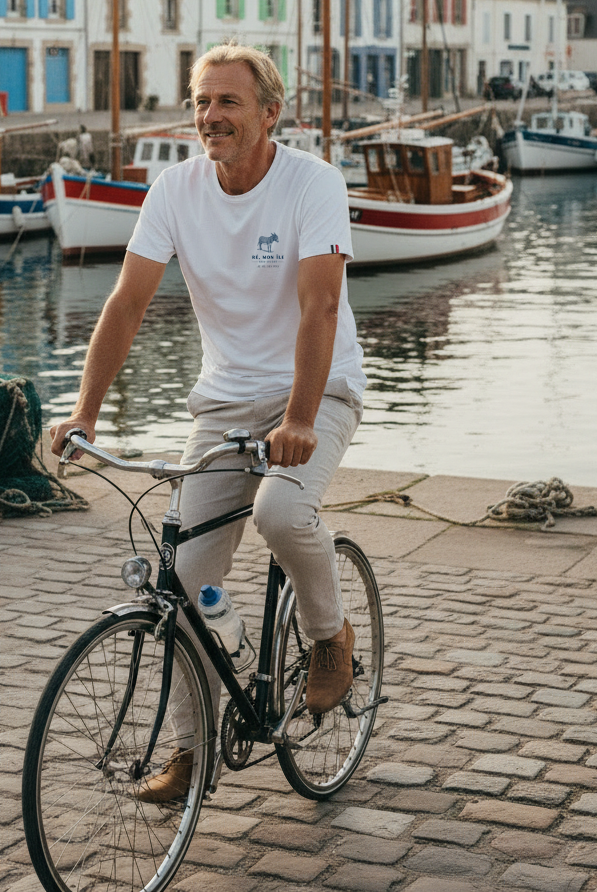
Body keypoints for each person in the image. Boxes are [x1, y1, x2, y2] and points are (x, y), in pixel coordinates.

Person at [50, 43, 365, 800]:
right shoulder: (175, 190)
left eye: (227, 102)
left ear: (268, 112)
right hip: (223, 403)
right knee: (186, 580)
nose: (210, 117)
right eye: (200, 101)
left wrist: (297, 416)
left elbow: (320, 305)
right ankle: (192, 756)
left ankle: (331, 638)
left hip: (314, 390)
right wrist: (84, 411)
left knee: (283, 511)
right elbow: (127, 303)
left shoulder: (312, 183)